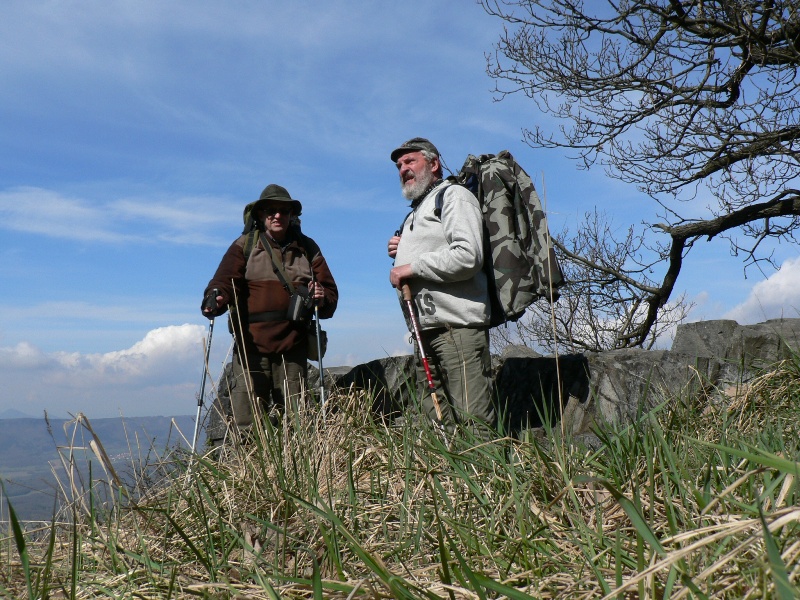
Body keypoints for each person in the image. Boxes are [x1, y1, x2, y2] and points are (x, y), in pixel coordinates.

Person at [202, 183, 337, 441]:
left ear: (291, 216)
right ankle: (253, 477)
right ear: (261, 215)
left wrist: (322, 296)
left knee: (299, 421)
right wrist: (215, 298)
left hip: (293, 347)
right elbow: (223, 281)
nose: (277, 216)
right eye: (271, 211)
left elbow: (330, 295)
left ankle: (302, 473)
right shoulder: (245, 245)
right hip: (250, 348)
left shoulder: (307, 249)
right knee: (247, 425)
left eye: (283, 211)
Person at [387, 138, 495, 437]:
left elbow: (468, 255)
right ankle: (454, 482)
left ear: (433, 164)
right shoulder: (417, 210)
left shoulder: (454, 196)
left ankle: (485, 480)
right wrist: (402, 246)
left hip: (457, 328)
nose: (403, 170)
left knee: (473, 422)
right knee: (439, 425)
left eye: (410, 162)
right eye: (399, 166)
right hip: (426, 330)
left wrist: (412, 266)